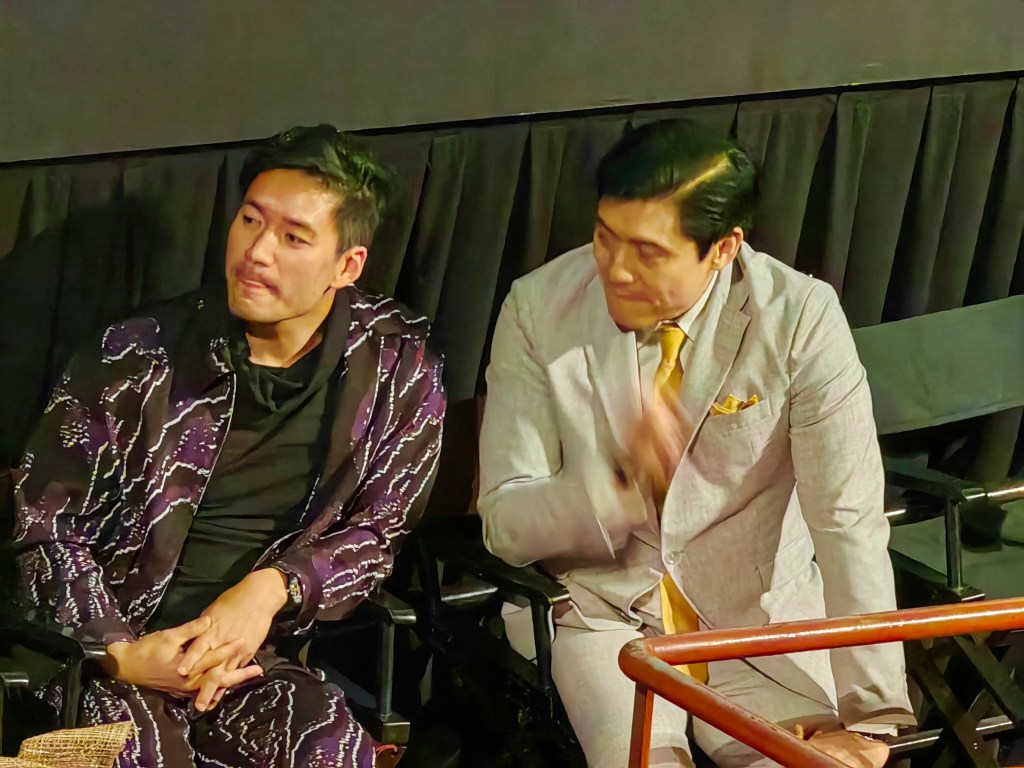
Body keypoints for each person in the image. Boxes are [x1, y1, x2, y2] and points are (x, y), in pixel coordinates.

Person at [478, 120, 911, 767]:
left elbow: (846, 520)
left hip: (755, 620)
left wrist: (872, 719)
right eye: (604, 237)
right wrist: (614, 483)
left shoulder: (799, 317)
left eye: (648, 253)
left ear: (723, 249)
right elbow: (504, 526)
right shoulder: (539, 307)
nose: (614, 271)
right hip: (602, 616)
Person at [13, 125, 445, 767]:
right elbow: (44, 526)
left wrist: (274, 588)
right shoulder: (137, 354)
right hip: (107, 659)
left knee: (330, 751)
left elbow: (378, 533)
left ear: (347, 266)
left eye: (293, 237)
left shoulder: (395, 365)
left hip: (254, 663)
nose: (257, 252)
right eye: (250, 220)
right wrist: (120, 652)